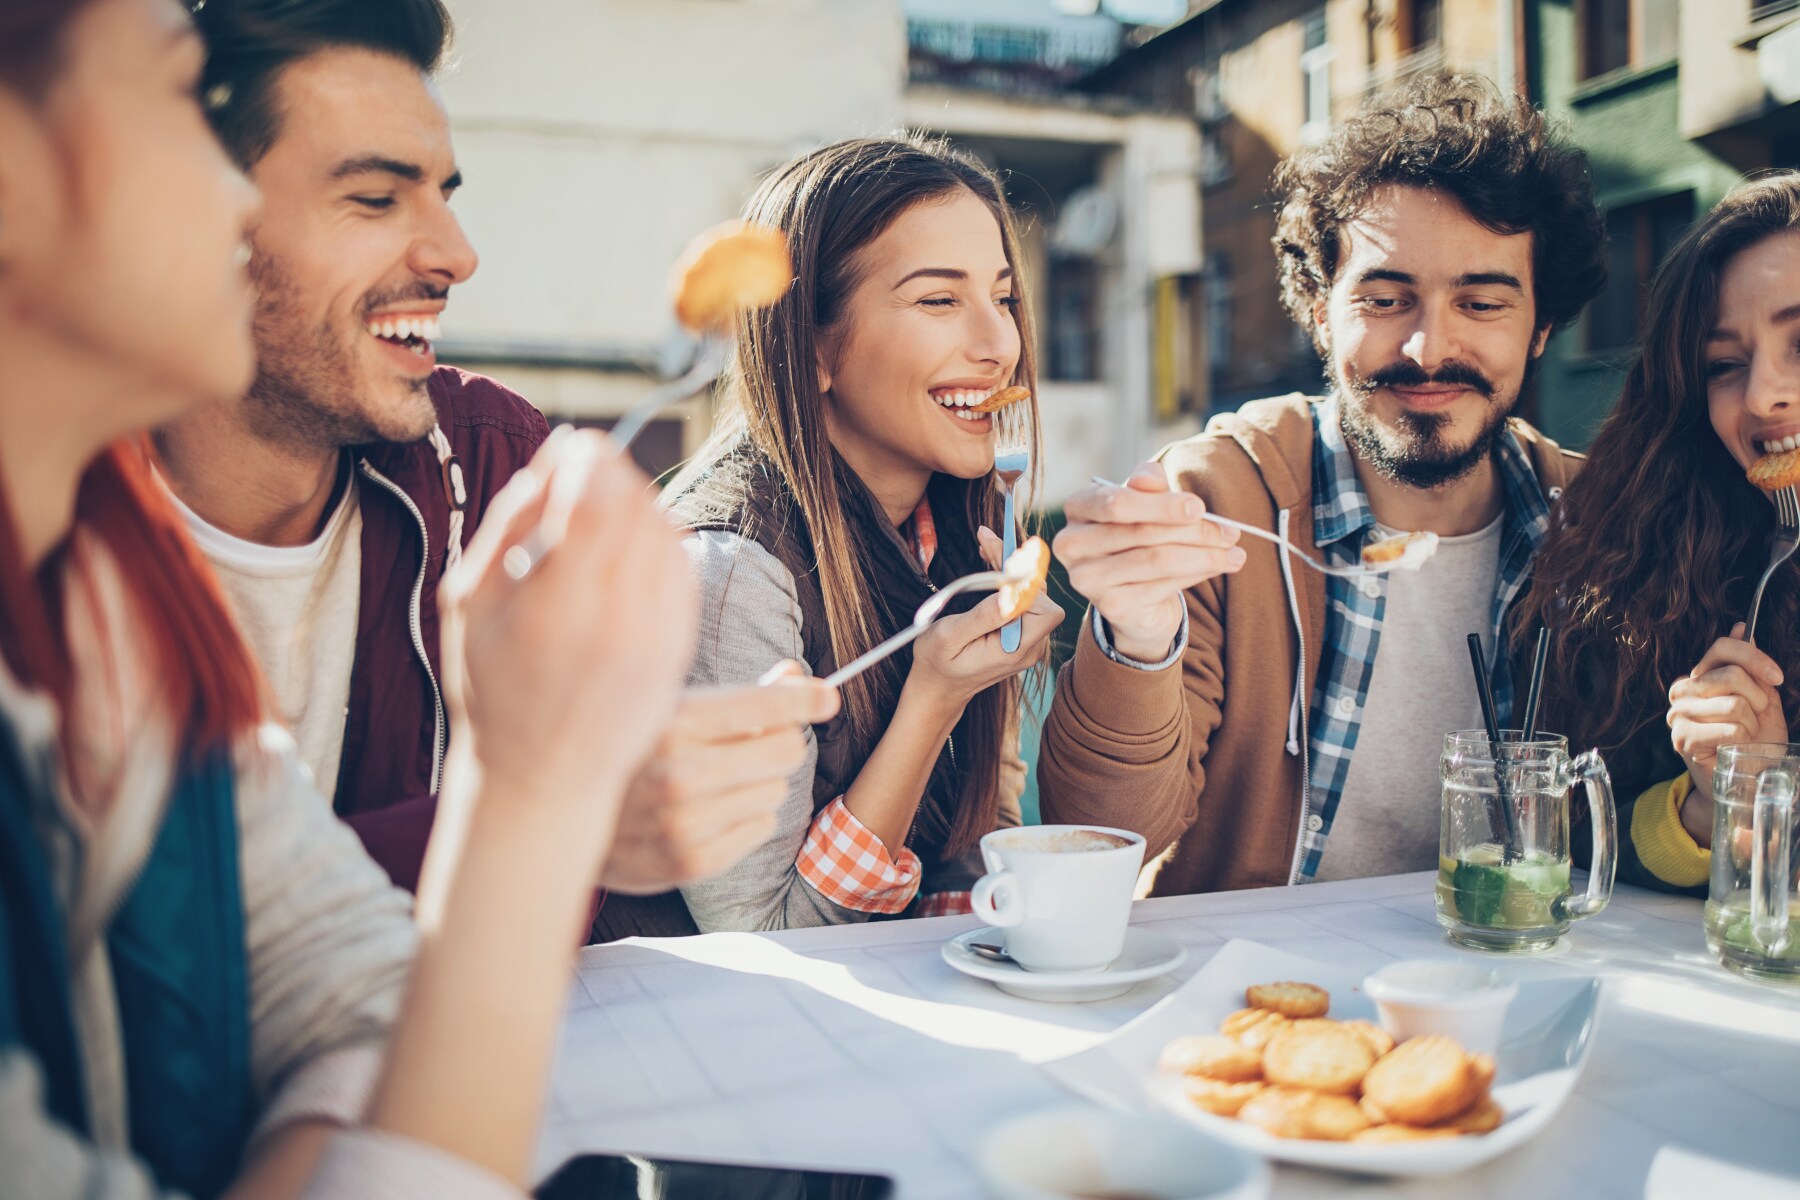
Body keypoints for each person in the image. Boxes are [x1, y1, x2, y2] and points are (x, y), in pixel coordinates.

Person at [0, 0, 702, 1193]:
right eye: (178, 104)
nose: (458, 256)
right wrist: (532, 792)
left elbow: (353, 982)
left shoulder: (110, 595)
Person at [158, 0, 833, 923]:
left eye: (446, 193)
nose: (456, 255)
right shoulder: (53, 516)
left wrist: (631, 786)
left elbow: (565, 908)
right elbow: (107, 935)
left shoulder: (493, 464)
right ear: (194, 215)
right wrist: (532, 814)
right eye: (375, 197)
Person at [1038, 73, 1606, 893]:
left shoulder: (1598, 525)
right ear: (1318, 309)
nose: (1426, 348)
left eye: (1481, 304)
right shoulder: (1212, 501)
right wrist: (1135, 635)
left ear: (1542, 328)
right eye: (1384, 298)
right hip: (1252, 995)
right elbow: (1104, 833)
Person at [659, 135, 1065, 930]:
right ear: (810, 345)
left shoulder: (953, 533)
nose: (999, 345)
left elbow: (975, 853)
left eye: (1004, 297)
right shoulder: (729, 572)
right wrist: (933, 701)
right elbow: (762, 939)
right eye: (939, 300)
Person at [1518, 173, 1800, 895]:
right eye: (1725, 366)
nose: (1765, 393)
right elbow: (1583, 840)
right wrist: (1718, 799)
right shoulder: (1672, 574)